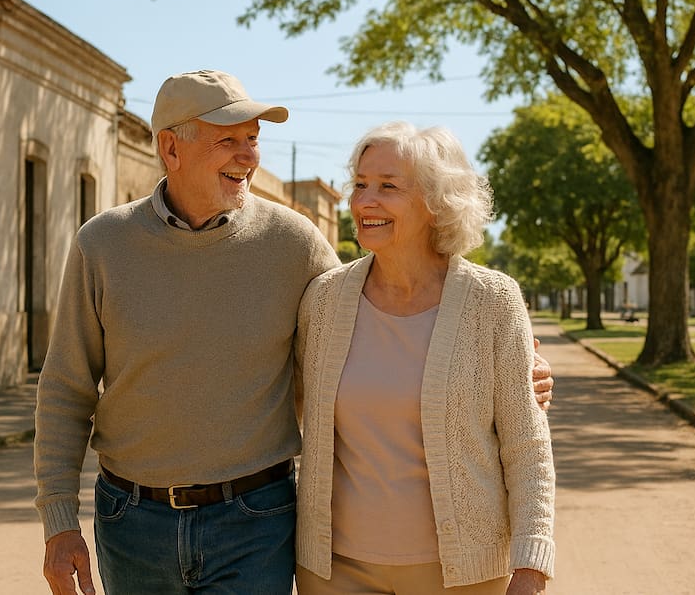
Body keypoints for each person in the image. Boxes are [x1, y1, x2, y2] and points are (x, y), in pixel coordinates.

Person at [34, 70, 555, 595]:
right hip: (133, 522)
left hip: (254, 519)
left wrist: (521, 368)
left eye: (253, 140)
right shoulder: (102, 246)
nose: (249, 157)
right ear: (171, 148)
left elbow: (396, 322)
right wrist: (58, 521)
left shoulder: (294, 243)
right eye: (228, 140)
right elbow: (64, 390)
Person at [295, 122, 556, 595]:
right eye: (360, 184)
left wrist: (532, 564)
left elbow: (526, 446)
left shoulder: (493, 301)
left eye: (388, 187)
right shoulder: (324, 300)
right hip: (335, 571)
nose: (363, 201)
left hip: (462, 573)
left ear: (437, 204)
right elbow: (286, 397)